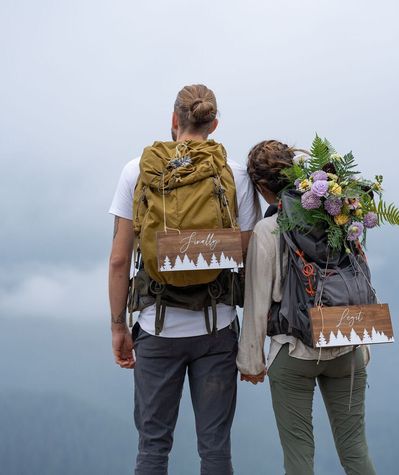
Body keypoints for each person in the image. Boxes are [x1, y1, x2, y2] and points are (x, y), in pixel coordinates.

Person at [108, 84, 261, 475]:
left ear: (174, 120)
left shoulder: (136, 171)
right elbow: (248, 259)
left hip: (155, 328)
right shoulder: (235, 175)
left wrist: (118, 327)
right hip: (218, 326)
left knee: (153, 449)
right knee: (214, 450)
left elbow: (119, 260)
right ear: (214, 124)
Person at [237, 140, 376, 475]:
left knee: (299, 457)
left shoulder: (269, 229)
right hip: (346, 344)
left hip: (293, 351)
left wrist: (251, 362)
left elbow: (257, 301)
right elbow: (359, 273)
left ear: (261, 187)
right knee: (355, 450)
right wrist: (363, 342)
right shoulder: (337, 213)